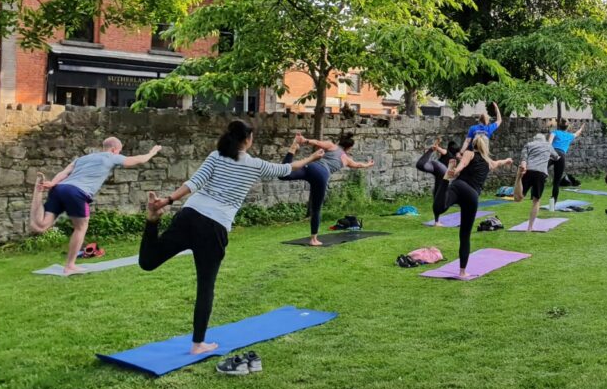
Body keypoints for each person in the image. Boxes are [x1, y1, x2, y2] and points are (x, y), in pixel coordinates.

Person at [141, 120, 325, 355]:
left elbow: (193, 183)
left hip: (190, 215)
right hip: (214, 227)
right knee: (205, 286)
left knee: (148, 262)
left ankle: (152, 221)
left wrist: (167, 201)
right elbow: (287, 168)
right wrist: (311, 158)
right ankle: (198, 344)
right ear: (247, 140)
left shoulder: (216, 156)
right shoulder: (254, 165)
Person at [29, 138, 163, 274]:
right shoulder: (111, 156)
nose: (119, 154)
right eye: (119, 151)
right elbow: (138, 159)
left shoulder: (82, 159)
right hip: (77, 192)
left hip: (59, 188)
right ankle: (70, 266)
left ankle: (38, 192)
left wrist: (53, 183)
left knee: (40, 226)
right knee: (81, 228)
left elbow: (64, 173)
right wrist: (152, 152)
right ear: (114, 149)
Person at [280, 132, 375, 246]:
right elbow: (358, 165)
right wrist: (368, 164)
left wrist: (304, 140)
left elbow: (317, 142)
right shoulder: (347, 159)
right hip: (322, 175)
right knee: (316, 209)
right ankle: (313, 239)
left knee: (283, 174)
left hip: (311, 167)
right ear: (349, 148)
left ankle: (293, 148)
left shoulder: (332, 146)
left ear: (339, 142)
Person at [443, 134, 512, 278]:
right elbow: (498, 162)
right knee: (465, 235)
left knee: (443, 204)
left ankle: (439, 210)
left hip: (460, 188)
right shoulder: (488, 162)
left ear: (473, 145)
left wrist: (454, 171)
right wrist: (506, 160)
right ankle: (462, 272)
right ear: (485, 146)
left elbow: (462, 165)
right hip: (472, 197)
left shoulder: (469, 154)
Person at [513, 133, 561, 231]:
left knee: (518, 198)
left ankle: (518, 178)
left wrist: (523, 166)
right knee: (536, 200)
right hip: (540, 173)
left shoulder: (529, 144)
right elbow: (556, 157)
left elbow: (523, 159)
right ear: (543, 140)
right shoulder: (548, 145)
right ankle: (530, 227)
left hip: (528, 171)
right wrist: (548, 156)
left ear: (534, 139)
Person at [416, 138, 461, 226]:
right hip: (441, 171)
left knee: (420, 165)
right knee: (439, 197)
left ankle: (437, 221)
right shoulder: (450, 154)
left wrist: (435, 147)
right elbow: (443, 151)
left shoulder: (450, 154)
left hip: (435, 166)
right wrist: (437, 147)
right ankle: (437, 221)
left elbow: (441, 150)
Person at [547, 119, 585, 208]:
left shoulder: (555, 132)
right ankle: (553, 203)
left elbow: (549, 143)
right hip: (561, 156)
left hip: (553, 153)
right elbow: (577, 133)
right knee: (556, 181)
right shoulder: (569, 135)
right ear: (567, 127)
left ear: (559, 126)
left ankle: (533, 194)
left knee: (540, 171)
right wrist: (581, 128)